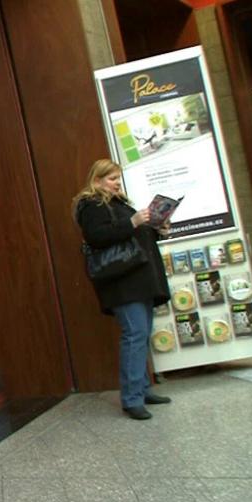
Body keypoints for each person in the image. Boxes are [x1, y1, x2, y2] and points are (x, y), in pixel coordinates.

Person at [73, 159, 172, 421]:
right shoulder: (91, 205)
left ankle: (142, 389)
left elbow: (132, 237)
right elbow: (97, 236)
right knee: (135, 334)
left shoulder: (117, 203)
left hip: (136, 280)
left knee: (141, 334)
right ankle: (132, 399)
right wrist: (133, 221)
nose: (117, 182)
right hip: (121, 282)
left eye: (118, 177)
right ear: (97, 180)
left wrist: (157, 230)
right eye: (112, 178)